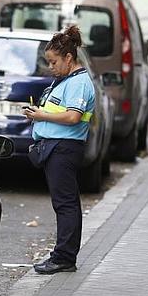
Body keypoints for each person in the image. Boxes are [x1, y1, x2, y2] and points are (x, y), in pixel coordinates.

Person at [23, 25, 95, 275]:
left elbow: (73, 117)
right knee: (64, 203)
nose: (51, 67)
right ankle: (63, 255)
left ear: (68, 58)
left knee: (65, 204)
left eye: (54, 62)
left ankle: (64, 257)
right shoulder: (66, 81)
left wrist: (41, 115)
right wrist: (38, 116)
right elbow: (58, 112)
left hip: (64, 149)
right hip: (56, 147)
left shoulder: (79, 83)